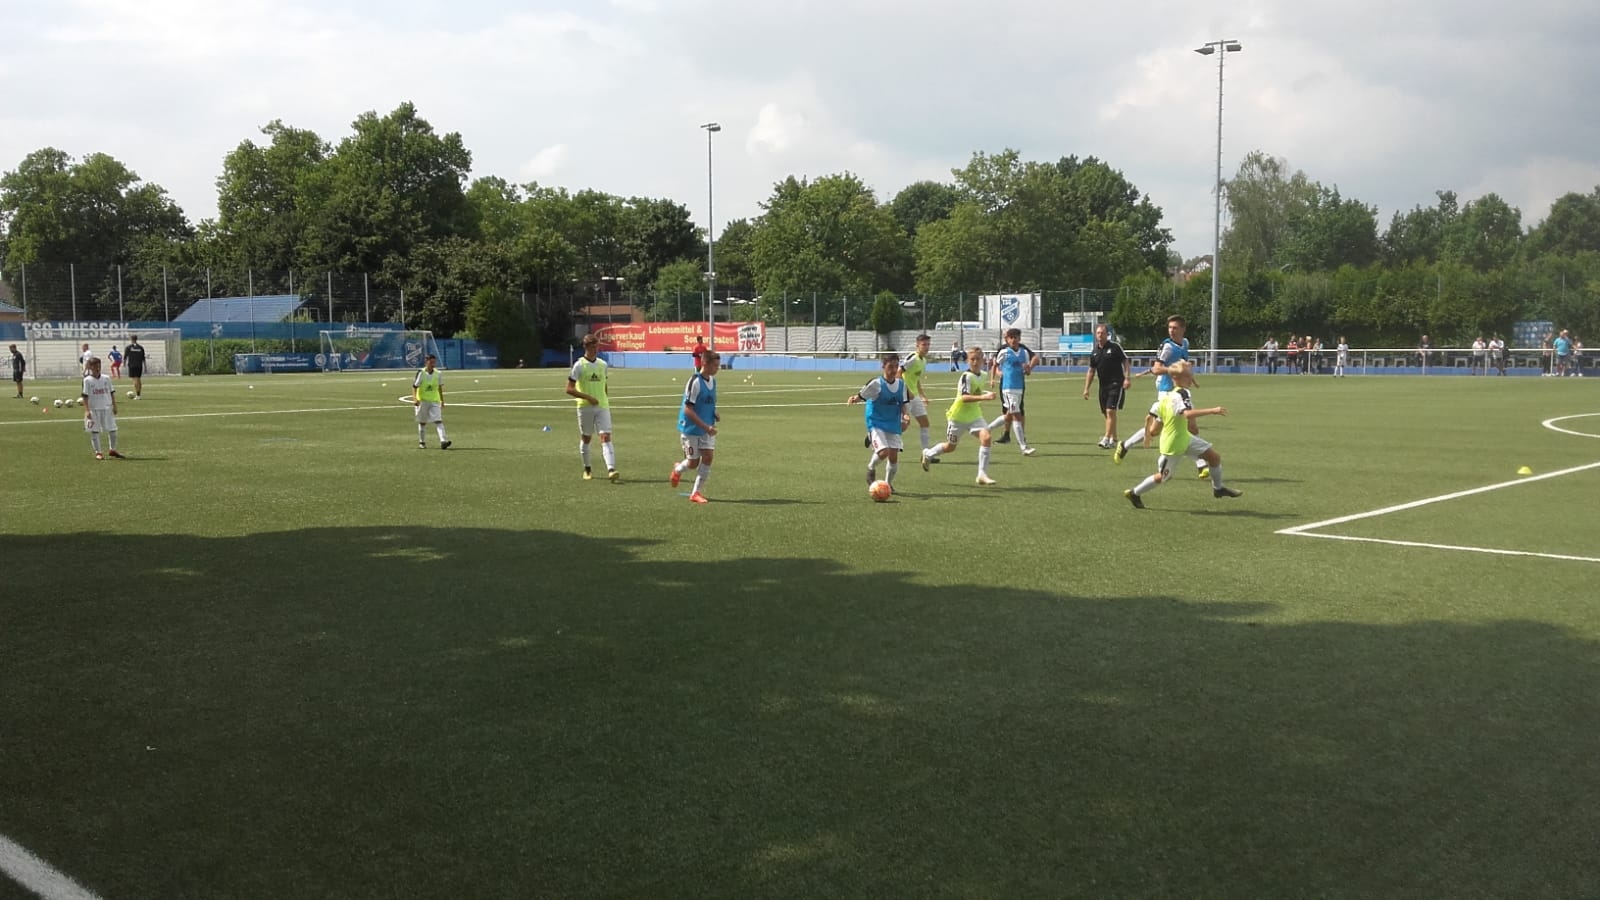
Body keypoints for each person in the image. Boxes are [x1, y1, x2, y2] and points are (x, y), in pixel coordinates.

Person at [1123, 361, 1240, 508]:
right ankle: (1134, 493)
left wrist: (1149, 433)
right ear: (1178, 378)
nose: (1192, 379)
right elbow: (1187, 414)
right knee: (1163, 477)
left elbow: (1154, 426)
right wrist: (1212, 410)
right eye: (1189, 376)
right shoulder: (1182, 393)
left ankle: (1218, 488)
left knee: (1214, 457)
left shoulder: (1166, 398)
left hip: (1184, 437)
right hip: (1174, 444)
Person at [1115, 315, 1207, 479]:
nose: (1171, 331)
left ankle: (1126, 445)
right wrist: (1174, 371)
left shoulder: (1185, 343)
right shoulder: (1168, 347)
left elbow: (1183, 365)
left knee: (1182, 428)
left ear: (1183, 329)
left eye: (1175, 328)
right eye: (1170, 327)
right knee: (1163, 430)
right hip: (1167, 393)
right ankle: (1201, 464)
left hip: (1180, 391)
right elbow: (1156, 369)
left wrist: (1191, 378)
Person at [921, 347, 998, 485]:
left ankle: (982, 474)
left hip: (974, 415)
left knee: (986, 437)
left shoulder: (983, 375)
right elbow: (964, 397)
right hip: (957, 417)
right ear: (967, 361)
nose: (975, 362)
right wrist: (985, 397)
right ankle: (928, 454)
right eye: (972, 359)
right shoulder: (966, 377)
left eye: (978, 359)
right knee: (951, 447)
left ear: (983, 360)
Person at [847, 353, 911, 495]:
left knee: (893, 456)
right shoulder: (876, 384)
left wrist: (906, 416)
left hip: (892, 422)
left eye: (896, 366)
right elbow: (862, 395)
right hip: (876, 421)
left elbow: (903, 403)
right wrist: (854, 399)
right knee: (884, 452)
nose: (893, 370)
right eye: (890, 367)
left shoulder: (901, 385)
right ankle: (871, 468)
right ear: (883, 366)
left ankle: (887, 484)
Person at [566, 333, 617, 482]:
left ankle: (611, 469)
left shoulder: (603, 364)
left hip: (602, 406)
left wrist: (604, 399)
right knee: (586, 438)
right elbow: (569, 389)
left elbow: (604, 384)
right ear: (586, 347)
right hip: (585, 407)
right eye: (593, 346)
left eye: (597, 346)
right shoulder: (579, 365)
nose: (596, 349)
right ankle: (587, 468)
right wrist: (588, 398)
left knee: (605, 436)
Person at [671, 350, 720, 503]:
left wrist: (714, 413)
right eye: (715, 365)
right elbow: (687, 409)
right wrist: (706, 427)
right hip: (691, 428)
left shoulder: (713, 381)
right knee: (693, 463)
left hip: (707, 427)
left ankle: (695, 493)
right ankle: (678, 469)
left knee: (708, 457)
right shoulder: (695, 382)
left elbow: (709, 402)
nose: (717, 369)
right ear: (705, 363)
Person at [987, 328, 1037, 454]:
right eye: (1011, 337)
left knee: (1008, 415)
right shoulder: (1004, 352)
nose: (1013, 340)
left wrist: (1027, 369)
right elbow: (995, 365)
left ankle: (987, 429)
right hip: (1008, 388)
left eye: (1016, 337)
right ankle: (1024, 447)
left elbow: (1028, 371)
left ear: (1019, 338)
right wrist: (993, 378)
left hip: (1019, 387)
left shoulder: (1024, 353)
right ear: (1007, 339)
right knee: (1016, 415)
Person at [1082, 323, 1131, 449]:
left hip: (1116, 383)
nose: (1100, 335)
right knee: (1107, 413)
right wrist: (1086, 388)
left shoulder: (1115, 347)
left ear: (1107, 334)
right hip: (1103, 386)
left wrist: (1127, 378)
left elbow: (1125, 361)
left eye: (1102, 333)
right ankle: (1114, 439)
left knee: (1110, 411)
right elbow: (1091, 371)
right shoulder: (1094, 352)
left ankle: (1106, 439)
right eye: (1098, 333)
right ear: (1095, 335)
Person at [80, 357, 125, 460]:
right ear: (90, 367)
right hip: (94, 409)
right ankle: (98, 452)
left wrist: (114, 405)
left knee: (113, 429)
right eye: (95, 366)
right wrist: (87, 410)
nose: (98, 368)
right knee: (95, 431)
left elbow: (111, 392)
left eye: (99, 366)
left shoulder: (106, 378)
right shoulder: (87, 380)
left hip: (107, 408)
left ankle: (112, 450)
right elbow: (85, 396)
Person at [900, 333, 936, 461]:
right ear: (917, 346)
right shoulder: (912, 358)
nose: (926, 347)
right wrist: (905, 391)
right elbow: (898, 373)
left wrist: (922, 395)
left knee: (925, 423)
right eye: (923, 345)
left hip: (914, 396)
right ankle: (876, 437)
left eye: (928, 345)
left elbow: (916, 379)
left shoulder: (923, 361)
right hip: (905, 396)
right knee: (904, 425)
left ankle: (926, 455)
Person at [411, 353, 452, 450]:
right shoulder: (421, 373)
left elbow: (439, 387)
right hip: (422, 401)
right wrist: (415, 399)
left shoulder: (438, 373)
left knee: (438, 421)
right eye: (431, 362)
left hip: (434, 401)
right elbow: (414, 387)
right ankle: (422, 442)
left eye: (434, 362)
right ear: (426, 362)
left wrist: (442, 400)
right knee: (422, 422)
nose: (433, 364)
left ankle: (443, 441)